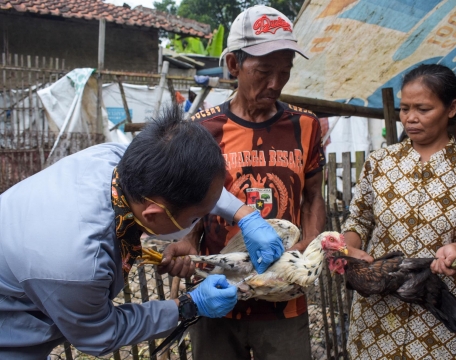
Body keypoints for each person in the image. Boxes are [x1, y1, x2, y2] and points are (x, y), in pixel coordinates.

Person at [0, 105, 284, 359]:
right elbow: (100, 335)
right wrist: (188, 304)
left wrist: (244, 214)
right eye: (197, 217)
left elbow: (193, 183)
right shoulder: (76, 264)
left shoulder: (116, 160)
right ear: (155, 214)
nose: (200, 220)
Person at [162, 5, 326, 359]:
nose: (275, 84)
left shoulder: (307, 127)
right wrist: (189, 242)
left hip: (283, 298)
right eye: (264, 71)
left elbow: (313, 197)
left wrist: (310, 246)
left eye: (285, 72)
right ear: (235, 65)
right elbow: (188, 199)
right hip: (218, 292)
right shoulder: (202, 129)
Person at [342, 64, 456, 359]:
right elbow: (359, 219)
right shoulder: (379, 163)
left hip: (436, 309)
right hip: (377, 309)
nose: (410, 118)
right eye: (404, 109)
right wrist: (349, 250)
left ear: (451, 108)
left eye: (423, 109)